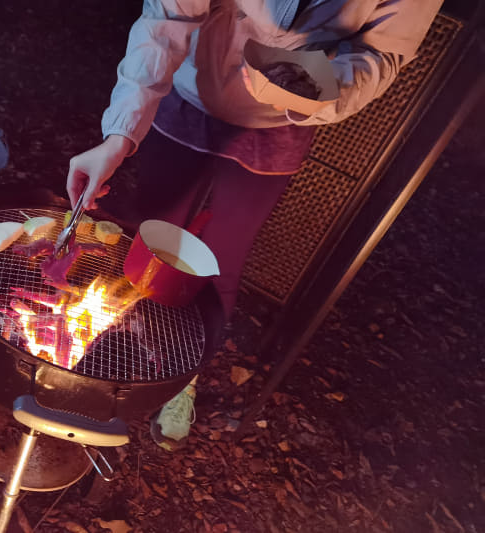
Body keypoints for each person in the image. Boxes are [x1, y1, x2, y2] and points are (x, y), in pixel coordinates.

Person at [66, 0, 442, 450]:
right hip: (191, 90)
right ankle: (112, 339)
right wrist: (119, 136)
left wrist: (310, 86)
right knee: (150, 237)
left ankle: (183, 374)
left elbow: (384, 52)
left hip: (279, 121)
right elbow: (167, 15)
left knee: (218, 262)